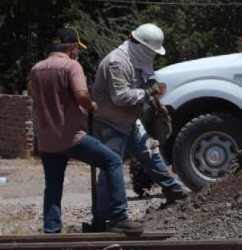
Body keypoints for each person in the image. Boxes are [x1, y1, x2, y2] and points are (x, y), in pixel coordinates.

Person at [27, 28, 143, 234]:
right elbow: (81, 94)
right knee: (112, 161)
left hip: (46, 140)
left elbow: (32, 93)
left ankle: (51, 230)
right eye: (76, 49)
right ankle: (119, 217)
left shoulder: (37, 69)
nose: (76, 52)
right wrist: (90, 106)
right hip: (72, 137)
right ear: (72, 48)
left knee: (53, 186)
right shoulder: (72, 66)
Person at [91, 23, 190, 204]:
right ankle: (105, 214)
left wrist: (155, 103)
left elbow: (140, 88)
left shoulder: (136, 59)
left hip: (129, 121)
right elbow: (120, 97)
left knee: (151, 154)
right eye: (153, 51)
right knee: (110, 167)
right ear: (143, 47)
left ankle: (174, 190)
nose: (153, 55)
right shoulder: (117, 62)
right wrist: (147, 93)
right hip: (109, 123)